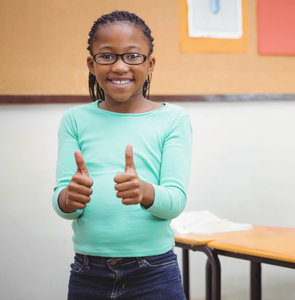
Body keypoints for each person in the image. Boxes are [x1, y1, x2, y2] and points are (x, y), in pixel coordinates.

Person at [52, 11, 191, 299]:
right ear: (92, 64)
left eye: (132, 56)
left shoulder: (174, 120)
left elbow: (175, 202)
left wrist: (145, 191)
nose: (119, 66)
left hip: (154, 273)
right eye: (106, 56)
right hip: (88, 274)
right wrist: (69, 198)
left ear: (150, 63)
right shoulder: (74, 120)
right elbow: (63, 204)